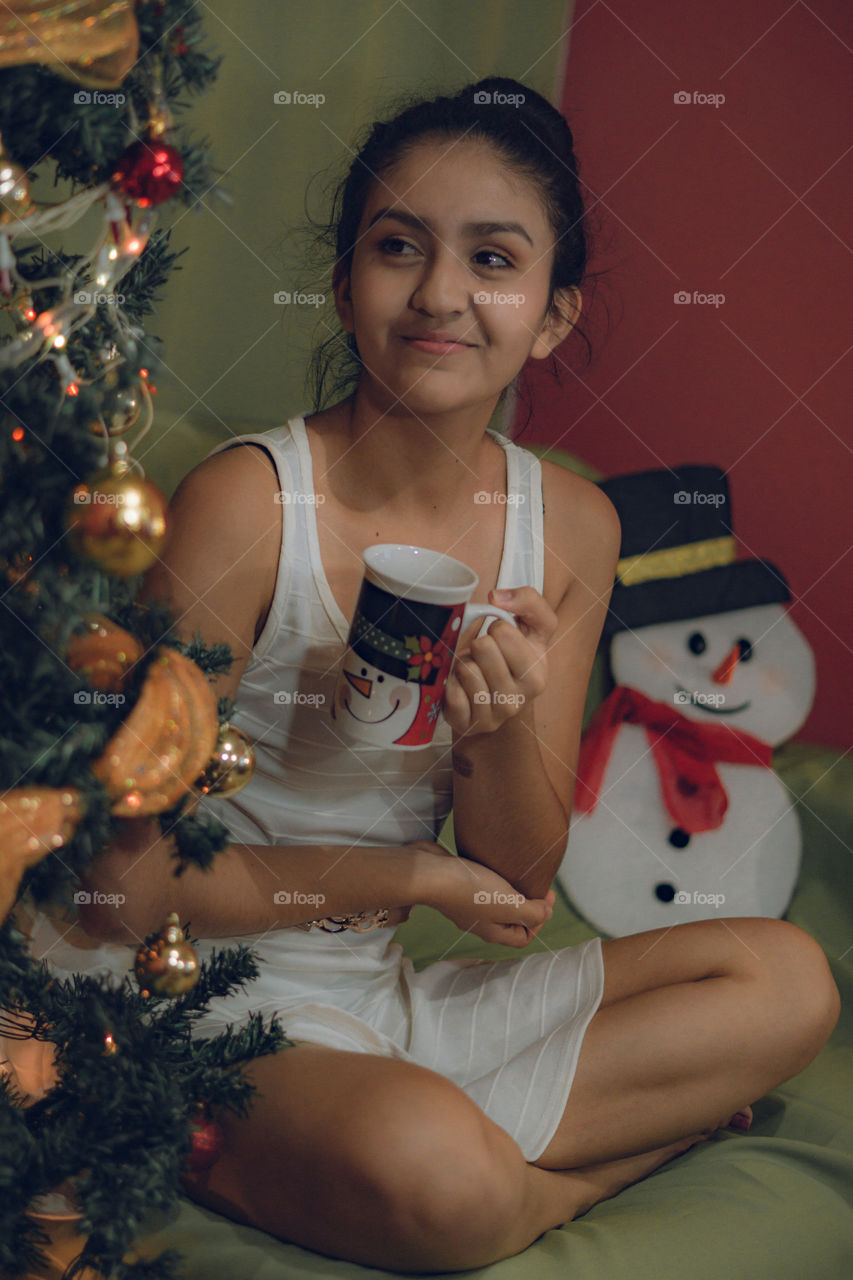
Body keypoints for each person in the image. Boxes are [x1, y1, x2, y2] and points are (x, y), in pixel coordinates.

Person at [40, 76, 838, 1273]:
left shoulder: (565, 525)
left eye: (494, 259)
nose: (442, 295)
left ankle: (429, 1138)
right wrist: (408, 869)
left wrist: (497, 728)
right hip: (184, 993)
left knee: (784, 978)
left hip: (381, 996)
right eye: (399, 246)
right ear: (346, 283)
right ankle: (559, 1182)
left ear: (552, 315)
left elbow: (516, 876)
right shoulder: (250, 506)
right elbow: (126, 887)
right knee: (443, 1176)